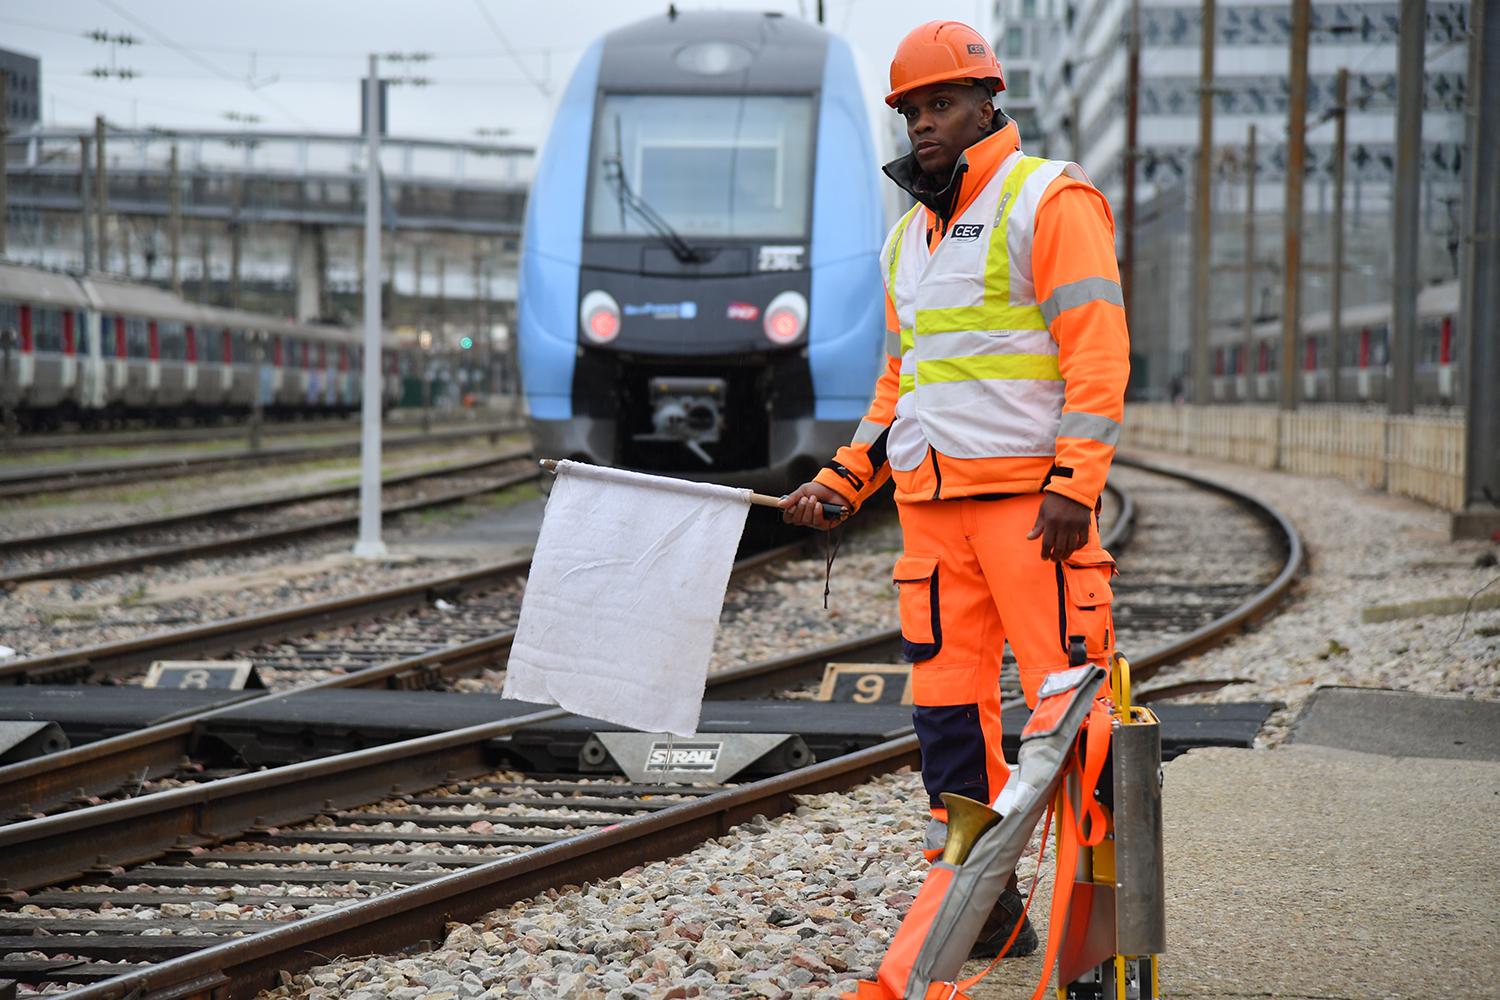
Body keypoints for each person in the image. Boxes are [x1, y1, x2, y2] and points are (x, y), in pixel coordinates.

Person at [780, 20, 1129, 959]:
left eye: (941, 104)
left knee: (1074, 715)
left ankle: (1095, 925)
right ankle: (989, 908)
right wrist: (845, 480)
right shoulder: (908, 243)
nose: (923, 124)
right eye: (911, 110)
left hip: (1031, 514)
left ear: (988, 103)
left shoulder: (1050, 201)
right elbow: (902, 387)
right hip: (933, 524)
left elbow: (1097, 356)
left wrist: (1073, 482)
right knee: (947, 719)